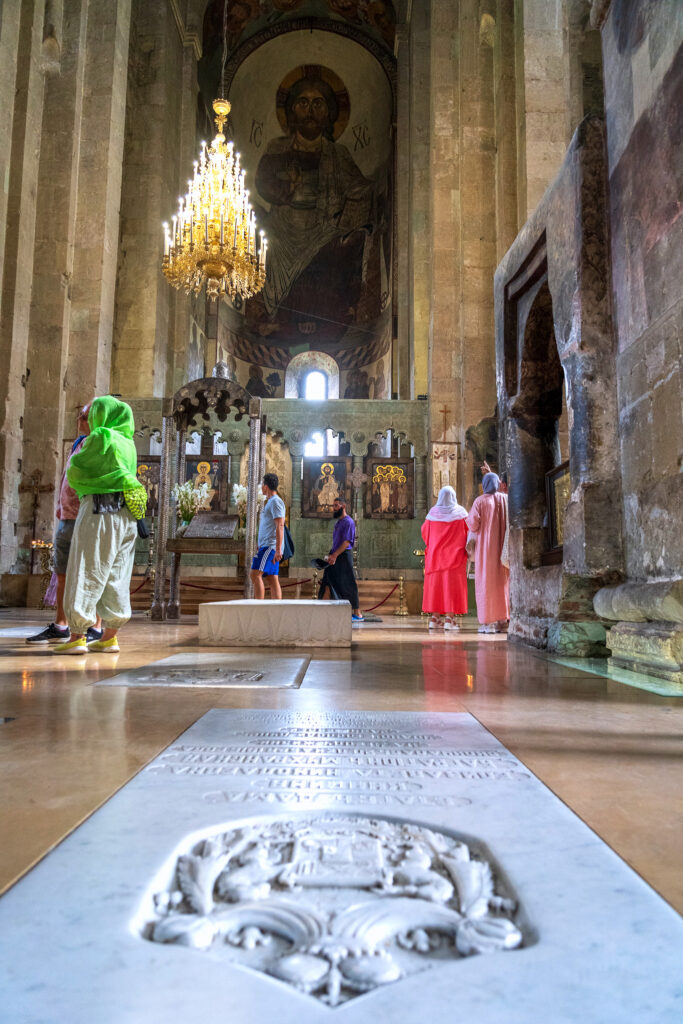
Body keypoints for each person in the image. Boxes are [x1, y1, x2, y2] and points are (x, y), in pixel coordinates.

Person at [52, 396, 146, 655]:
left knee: (86, 568)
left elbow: (77, 470)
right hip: (126, 515)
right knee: (117, 573)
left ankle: (77, 636)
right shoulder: (128, 442)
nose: (83, 421)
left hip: (98, 511)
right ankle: (109, 637)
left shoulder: (101, 436)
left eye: (86, 416)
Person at [26, 404, 102, 645]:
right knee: (62, 572)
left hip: (88, 516)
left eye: (86, 416)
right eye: (80, 414)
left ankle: (95, 627)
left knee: (93, 572)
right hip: (67, 517)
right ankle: (61, 625)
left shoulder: (102, 444)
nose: (80, 418)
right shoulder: (79, 441)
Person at [466, 472, 509, 634]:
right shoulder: (505, 499)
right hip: (503, 550)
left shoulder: (480, 501)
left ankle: (488, 623)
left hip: (486, 550)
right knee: (503, 585)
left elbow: (473, 524)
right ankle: (503, 621)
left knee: (486, 585)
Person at [421, 486, 469, 631]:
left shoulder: (432, 514)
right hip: (455, 559)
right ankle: (449, 619)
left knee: (436, 588)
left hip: (435, 558)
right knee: (451, 588)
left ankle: (434, 619)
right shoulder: (461, 514)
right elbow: (469, 534)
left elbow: (425, 534)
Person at [318, 496, 363, 621]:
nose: (334, 508)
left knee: (349, 584)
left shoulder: (349, 522)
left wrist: (335, 555)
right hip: (335, 556)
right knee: (327, 582)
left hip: (343, 556)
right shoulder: (338, 522)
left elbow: (347, 542)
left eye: (336, 505)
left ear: (343, 506)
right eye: (334, 505)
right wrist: (331, 555)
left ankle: (357, 613)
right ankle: (322, 611)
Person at [250, 472, 285, 600]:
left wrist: (277, 549)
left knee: (255, 574)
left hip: (270, 546)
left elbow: (280, 526)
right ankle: (277, 610)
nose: (261, 487)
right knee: (271, 578)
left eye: (262, 484)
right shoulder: (271, 501)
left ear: (266, 486)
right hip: (268, 546)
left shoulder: (275, 502)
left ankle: (258, 608)